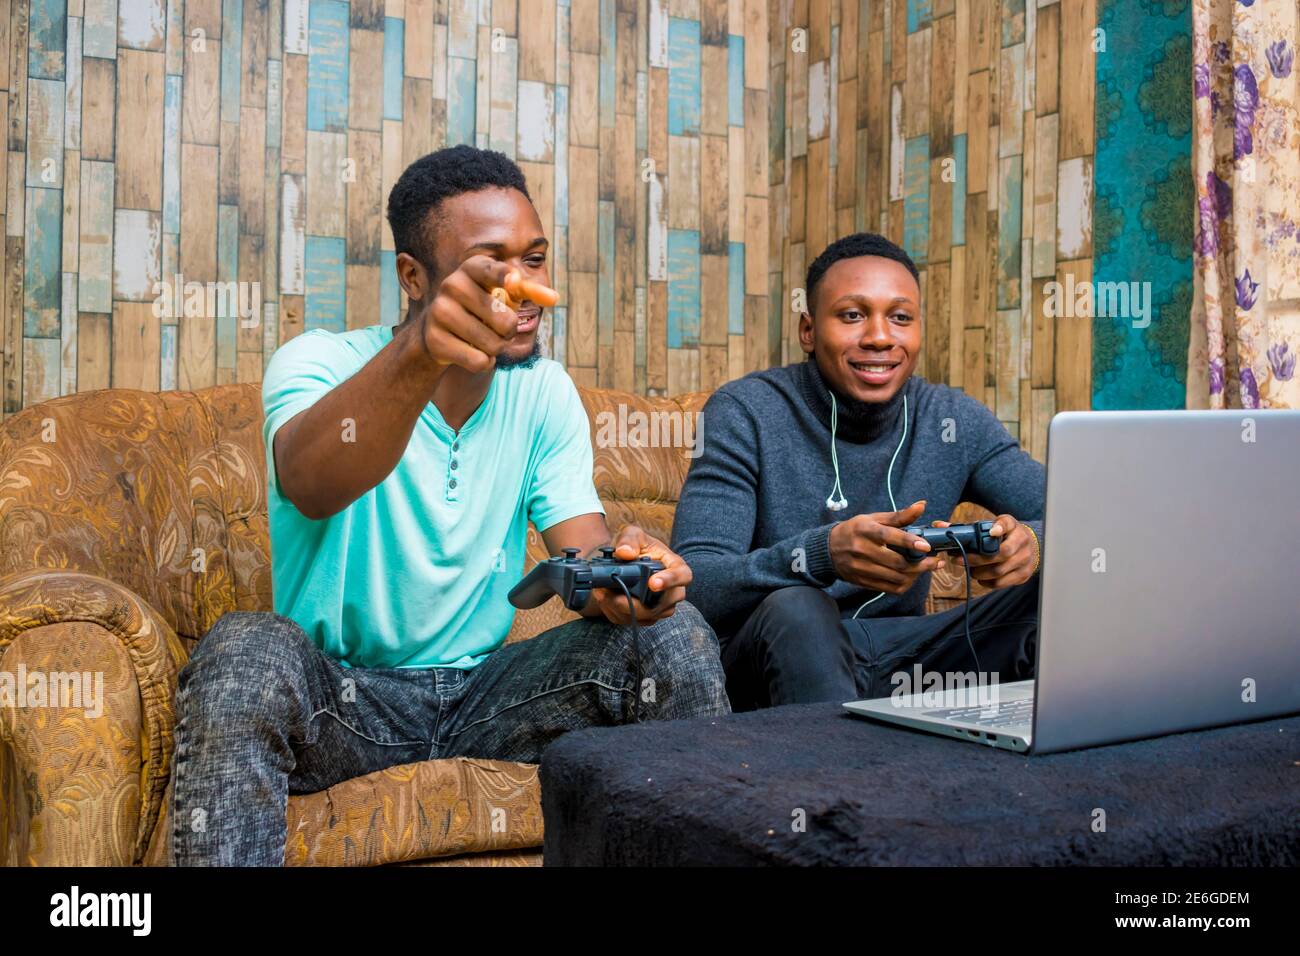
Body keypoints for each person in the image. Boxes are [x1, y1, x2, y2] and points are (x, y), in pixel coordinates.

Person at [171, 146, 728, 866]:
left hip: (488, 701)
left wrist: (628, 577)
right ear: (413, 276)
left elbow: (582, 551)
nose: (523, 287)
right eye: (491, 267)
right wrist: (421, 352)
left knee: (672, 635)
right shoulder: (318, 363)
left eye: (535, 259)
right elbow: (311, 481)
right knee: (245, 651)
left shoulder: (542, 391)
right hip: (344, 702)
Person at [671, 233, 1045, 711]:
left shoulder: (953, 421)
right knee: (798, 606)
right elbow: (695, 579)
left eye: (900, 317)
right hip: (773, 659)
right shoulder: (746, 411)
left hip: (903, 660)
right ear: (808, 330)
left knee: (1045, 603)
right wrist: (818, 557)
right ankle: (836, 782)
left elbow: (1088, 523)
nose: (880, 337)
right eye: (852, 315)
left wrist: (1031, 545)